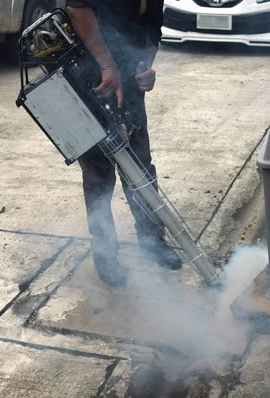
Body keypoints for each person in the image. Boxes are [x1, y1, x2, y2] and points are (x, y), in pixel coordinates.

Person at [65, 0, 181, 287]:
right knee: (98, 177)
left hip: (128, 82)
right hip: (90, 77)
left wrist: (145, 68)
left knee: (140, 167)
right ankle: (105, 255)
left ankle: (152, 241)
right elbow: (77, 10)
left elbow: (152, 29)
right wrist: (108, 66)